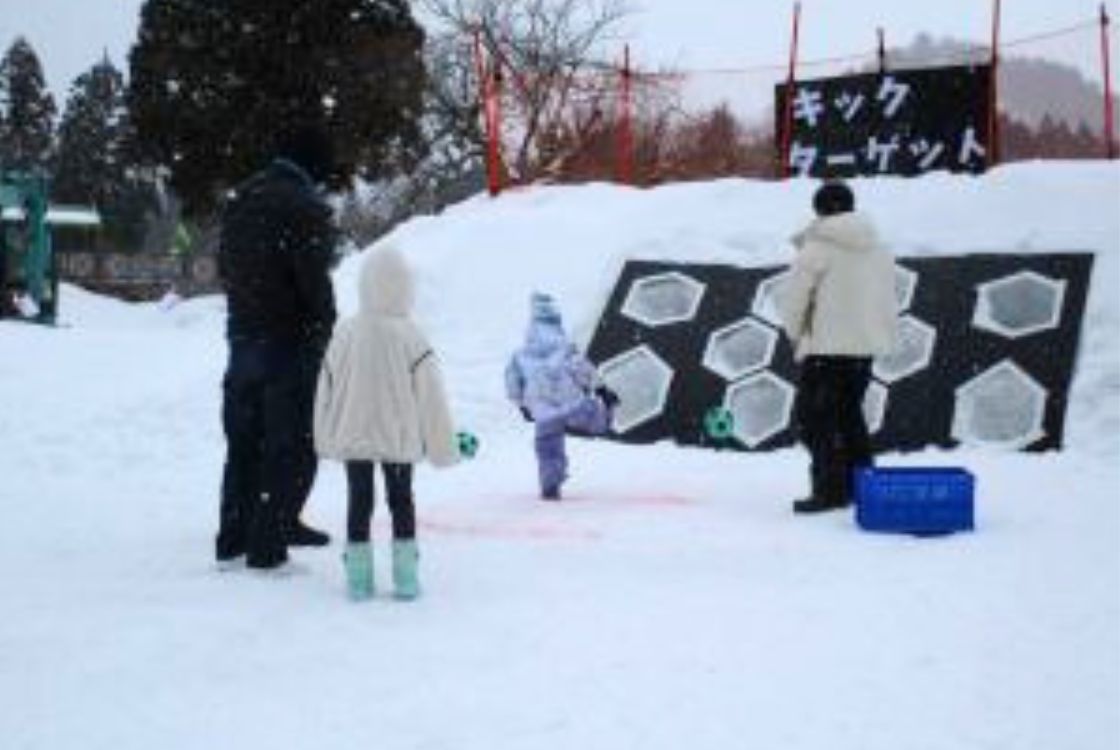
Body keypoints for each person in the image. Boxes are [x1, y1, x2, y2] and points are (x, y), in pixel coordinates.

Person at [215, 124, 339, 569]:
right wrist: (324, 325)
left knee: (244, 438)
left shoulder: (243, 198)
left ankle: (233, 533)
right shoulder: (304, 206)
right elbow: (313, 278)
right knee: (292, 440)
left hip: (243, 334)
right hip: (289, 338)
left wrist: (247, 309)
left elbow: (224, 266)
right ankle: (272, 535)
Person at [313, 244, 460, 601]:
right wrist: (443, 447)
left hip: (354, 436)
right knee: (401, 501)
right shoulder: (411, 335)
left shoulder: (345, 333)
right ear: (404, 287)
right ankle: (406, 578)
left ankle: (359, 580)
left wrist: (324, 436)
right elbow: (431, 397)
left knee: (358, 501)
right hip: (398, 438)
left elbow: (326, 388)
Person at [779, 181, 897, 514]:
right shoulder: (878, 248)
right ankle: (862, 485)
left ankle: (830, 490)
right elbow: (885, 297)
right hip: (863, 350)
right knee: (849, 418)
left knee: (814, 421)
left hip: (826, 350)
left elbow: (796, 299)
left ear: (819, 210)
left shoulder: (818, 247)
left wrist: (795, 333)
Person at [505, 292, 618, 500]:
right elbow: (583, 370)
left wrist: (522, 405)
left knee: (547, 445)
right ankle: (606, 419)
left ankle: (550, 484)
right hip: (570, 402)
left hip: (542, 409)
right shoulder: (565, 348)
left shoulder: (520, 355)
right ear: (557, 321)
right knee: (597, 420)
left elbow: (513, 382)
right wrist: (601, 389)